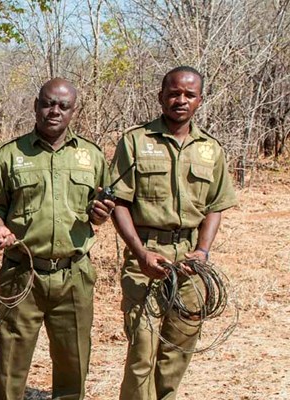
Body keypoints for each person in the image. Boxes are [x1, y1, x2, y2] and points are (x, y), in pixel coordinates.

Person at [0, 78, 114, 400]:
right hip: (23, 275)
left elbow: (103, 206)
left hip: (74, 275)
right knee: (9, 366)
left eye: (63, 106)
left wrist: (101, 214)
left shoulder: (91, 156)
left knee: (73, 363)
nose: (54, 111)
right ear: (36, 106)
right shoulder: (10, 154)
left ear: (73, 111)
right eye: (48, 103)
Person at [110, 66, 238, 400]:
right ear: (161, 96)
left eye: (189, 95)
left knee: (178, 351)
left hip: (191, 264)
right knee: (142, 351)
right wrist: (141, 253)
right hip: (146, 259)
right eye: (174, 93)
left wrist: (203, 251)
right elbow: (119, 203)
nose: (180, 100)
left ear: (199, 100)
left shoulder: (211, 149)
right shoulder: (135, 141)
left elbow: (216, 205)